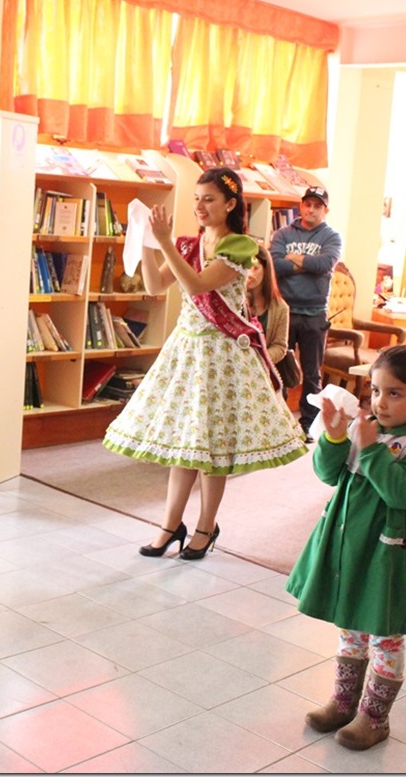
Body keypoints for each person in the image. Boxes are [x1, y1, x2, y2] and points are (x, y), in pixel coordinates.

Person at [103, 167, 307, 560]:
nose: (199, 206)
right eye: (196, 197)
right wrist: (147, 241)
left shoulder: (242, 246)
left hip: (222, 356)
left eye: (209, 198)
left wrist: (164, 243)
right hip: (188, 352)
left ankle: (204, 527)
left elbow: (196, 286)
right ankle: (169, 526)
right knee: (186, 445)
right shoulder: (187, 244)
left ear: (230, 204)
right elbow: (154, 286)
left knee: (212, 449)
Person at [285, 345, 406, 751]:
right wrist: (336, 436)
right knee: (351, 628)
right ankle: (344, 702)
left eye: (395, 393)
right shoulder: (369, 428)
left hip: (388, 559)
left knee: (384, 635)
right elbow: (327, 474)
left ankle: (375, 718)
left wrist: (372, 448)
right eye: (375, 390)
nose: (380, 401)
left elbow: (402, 493)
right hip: (351, 551)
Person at [270, 185, 343, 442]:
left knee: (312, 374)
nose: (311, 209)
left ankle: (308, 425)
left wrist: (294, 259)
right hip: (285, 312)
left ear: (325, 210)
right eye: (307, 204)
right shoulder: (283, 233)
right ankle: (277, 422)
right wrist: (306, 264)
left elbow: (324, 264)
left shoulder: (332, 237)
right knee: (279, 369)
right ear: (301, 206)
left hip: (315, 314)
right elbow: (274, 265)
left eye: (317, 206)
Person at [246, 245, 298, 398]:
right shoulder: (235, 301)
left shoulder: (280, 307)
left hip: (264, 371)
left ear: (266, 270)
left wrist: (260, 358)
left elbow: (280, 346)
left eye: (255, 268)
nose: (249, 274)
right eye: (246, 268)